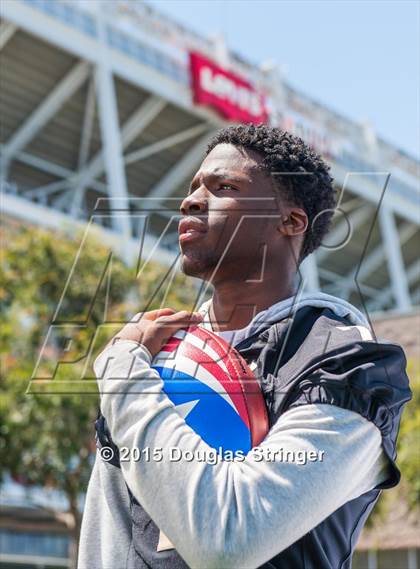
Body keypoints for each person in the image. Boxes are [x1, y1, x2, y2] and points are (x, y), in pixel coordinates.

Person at [78, 124, 411, 569]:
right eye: (194, 186)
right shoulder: (154, 355)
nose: (191, 201)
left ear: (290, 222)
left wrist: (120, 368)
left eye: (224, 187)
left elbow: (230, 538)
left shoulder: (345, 362)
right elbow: (110, 529)